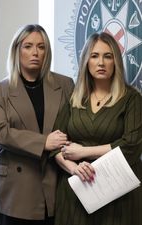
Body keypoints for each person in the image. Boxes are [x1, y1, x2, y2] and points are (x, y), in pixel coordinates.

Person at [0, 24, 74, 225]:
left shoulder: (66, 85)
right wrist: (44, 142)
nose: (35, 52)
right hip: (15, 189)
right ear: (17, 50)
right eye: (28, 46)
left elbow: (73, 125)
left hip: (54, 181)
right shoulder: (1, 90)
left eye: (41, 47)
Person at [52, 32, 142, 225]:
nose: (101, 62)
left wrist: (83, 152)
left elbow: (132, 146)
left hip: (118, 197)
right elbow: (54, 146)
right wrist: (74, 168)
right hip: (75, 194)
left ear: (115, 61)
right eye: (94, 56)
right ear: (86, 61)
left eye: (107, 56)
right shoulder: (74, 99)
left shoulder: (131, 99)